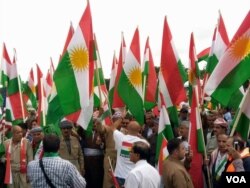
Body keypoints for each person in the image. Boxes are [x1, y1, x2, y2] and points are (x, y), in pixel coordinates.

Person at [113, 120, 149, 187]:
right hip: (135, 176)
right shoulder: (143, 142)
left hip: (120, 175)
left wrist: (121, 118)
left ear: (127, 128)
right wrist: (139, 135)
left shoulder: (120, 137)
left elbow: (112, 128)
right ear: (139, 130)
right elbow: (148, 144)